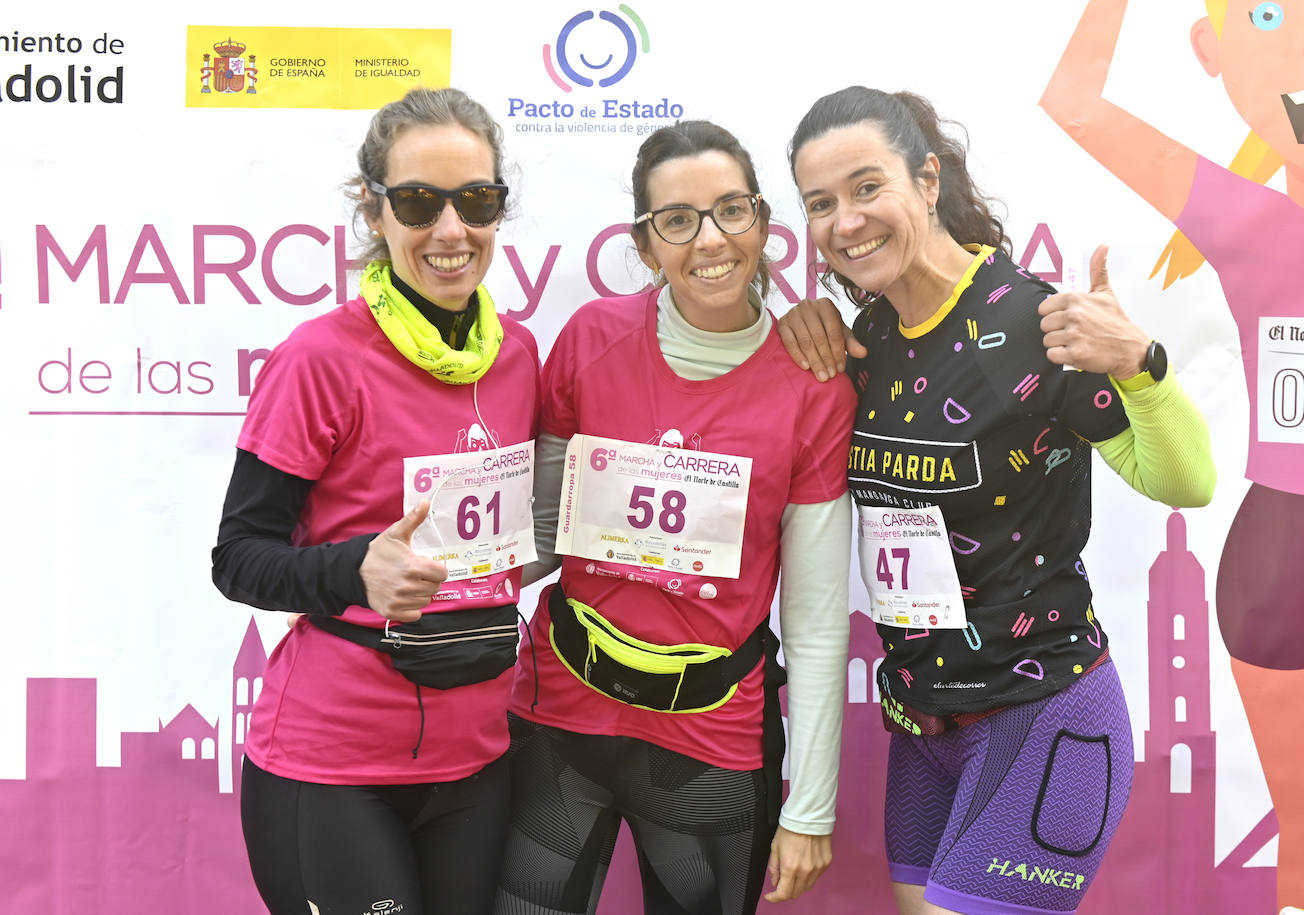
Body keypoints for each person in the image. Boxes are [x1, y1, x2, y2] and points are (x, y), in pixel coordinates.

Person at [776, 86, 1216, 915]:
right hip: (922, 729)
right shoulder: (862, 343)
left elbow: (1184, 483)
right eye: (820, 203)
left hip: (1043, 715)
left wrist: (1141, 364)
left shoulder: (1032, 320)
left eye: (868, 188)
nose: (846, 222)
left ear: (928, 179)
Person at [1042, 4, 1304, 913]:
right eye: (1273, 17)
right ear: (1211, 54)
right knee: (1303, 857)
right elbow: (1073, 101)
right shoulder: (1234, 213)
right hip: (1277, 549)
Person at [493, 120, 857, 914]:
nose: (711, 239)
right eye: (678, 219)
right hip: (563, 716)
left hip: (712, 743)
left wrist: (811, 804)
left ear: (764, 224)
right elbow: (538, 537)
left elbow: (821, 614)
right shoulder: (590, 340)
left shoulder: (814, 384)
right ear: (647, 243)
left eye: (732, 210)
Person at [210, 86, 540, 915]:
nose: (452, 230)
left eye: (477, 200)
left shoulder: (520, 355)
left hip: (476, 761)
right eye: (420, 202)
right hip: (335, 770)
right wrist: (355, 570)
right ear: (375, 206)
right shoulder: (320, 357)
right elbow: (238, 559)